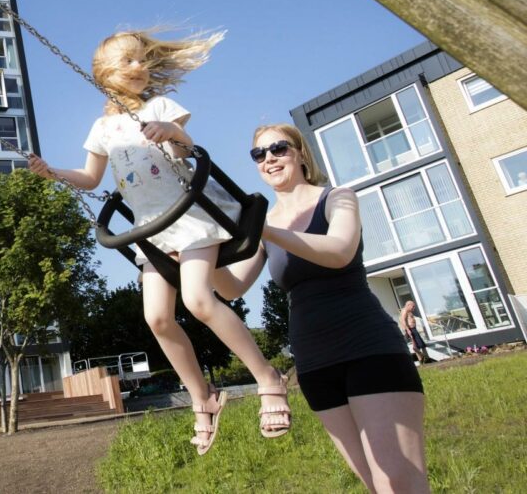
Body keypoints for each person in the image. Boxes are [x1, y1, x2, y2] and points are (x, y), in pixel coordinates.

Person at [29, 30, 289, 455]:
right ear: (103, 75)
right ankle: (203, 398)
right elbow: (90, 178)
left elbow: (187, 148)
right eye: (127, 62)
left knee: (200, 301)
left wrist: (170, 131)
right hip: (152, 229)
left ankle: (267, 377)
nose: (139, 68)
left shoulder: (160, 107)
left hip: (191, 216)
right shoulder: (102, 128)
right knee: (157, 319)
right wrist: (53, 172)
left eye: (142, 61)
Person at [252, 123, 429, 493]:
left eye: (278, 148)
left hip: (368, 348)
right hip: (315, 363)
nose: (269, 158)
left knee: (398, 482)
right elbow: (228, 285)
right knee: (374, 484)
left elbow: (339, 250)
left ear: (300, 152)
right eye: (259, 154)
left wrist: (262, 231)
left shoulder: (336, 198)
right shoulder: (265, 225)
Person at [400, 301, 430, 365]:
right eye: (413, 306)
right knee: (417, 345)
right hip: (411, 330)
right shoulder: (404, 311)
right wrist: (408, 330)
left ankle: (422, 360)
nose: (414, 308)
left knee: (419, 345)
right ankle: (424, 357)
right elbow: (403, 321)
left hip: (413, 329)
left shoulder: (408, 311)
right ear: (408, 305)